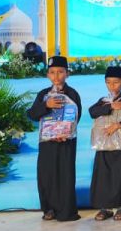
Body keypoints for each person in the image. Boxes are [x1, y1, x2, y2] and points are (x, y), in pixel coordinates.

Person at [26, 55, 82, 221]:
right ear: (47, 75)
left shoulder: (72, 94)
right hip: (47, 142)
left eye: (60, 72)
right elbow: (32, 114)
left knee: (65, 174)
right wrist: (46, 105)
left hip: (66, 141)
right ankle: (48, 209)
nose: (56, 76)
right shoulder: (44, 94)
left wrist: (64, 132)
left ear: (67, 74)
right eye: (52, 72)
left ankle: (66, 211)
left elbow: (76, 116)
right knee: (46, 174)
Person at [89, 66, 121, 221]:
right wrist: (111, 106)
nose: (112, 85)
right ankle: (105, 208)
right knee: (104, 175)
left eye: (116, 82)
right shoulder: (103, 101)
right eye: (108, 82)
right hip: (105, 146)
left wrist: (118, 125)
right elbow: (92, 112)